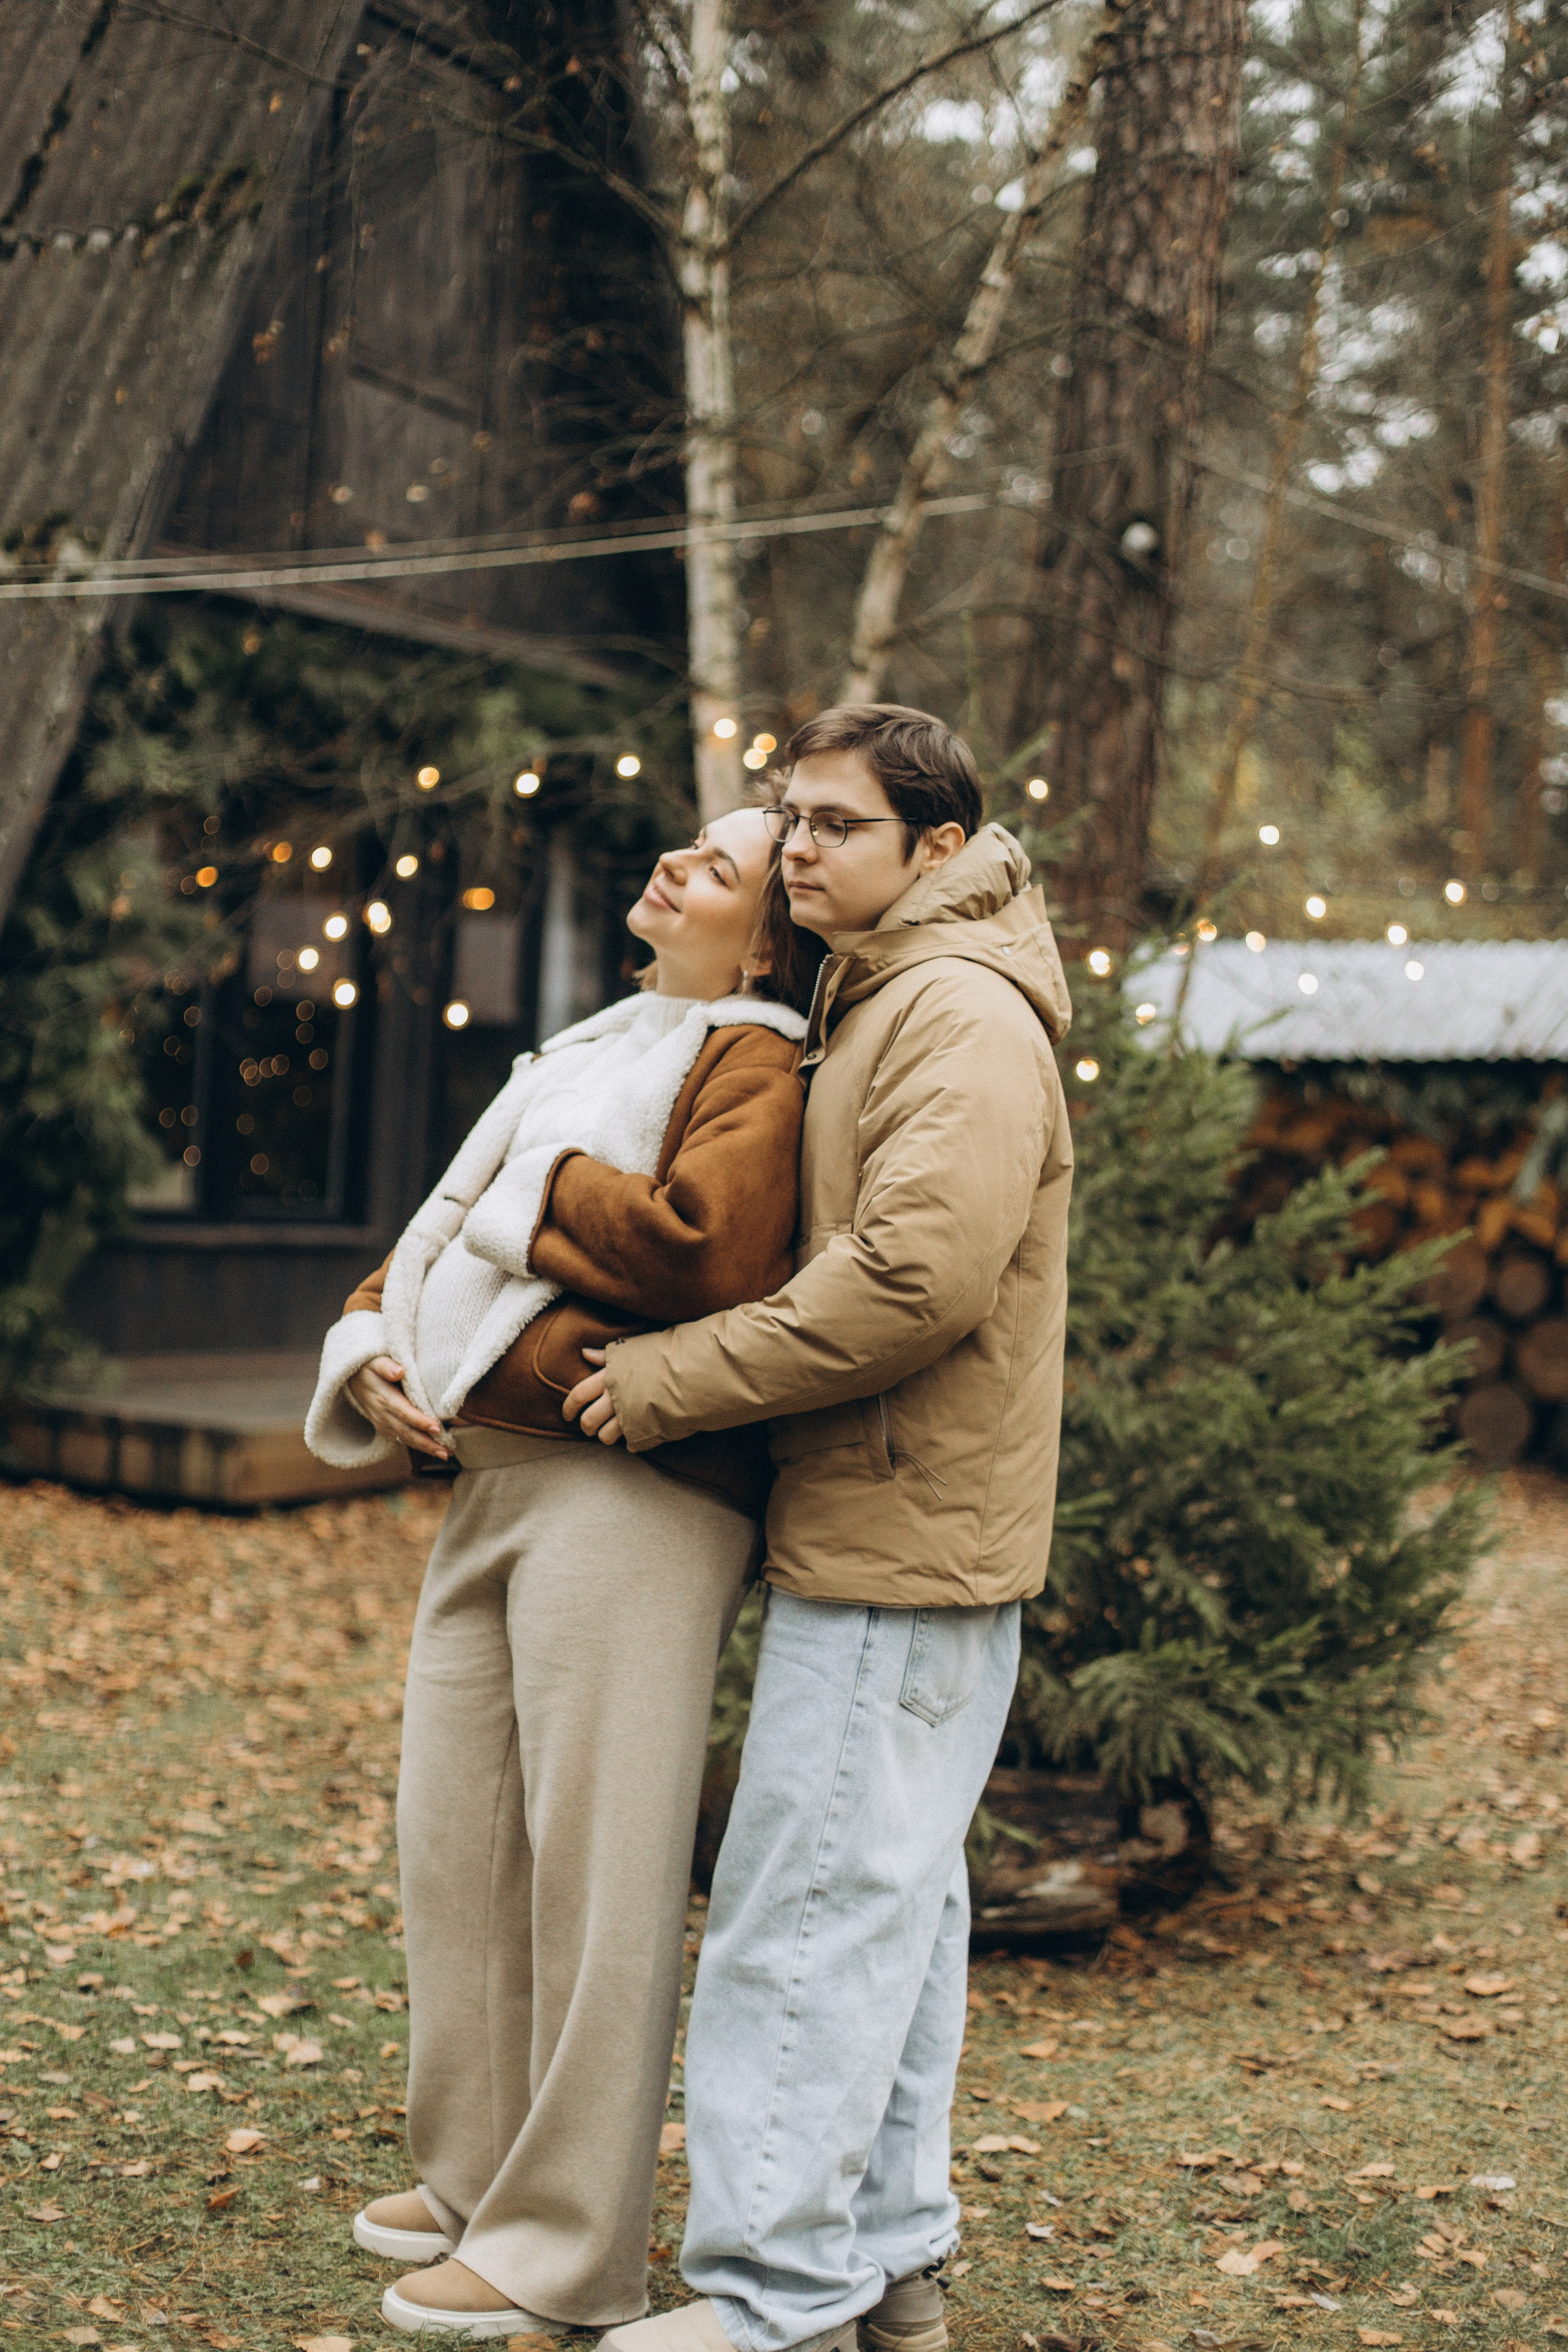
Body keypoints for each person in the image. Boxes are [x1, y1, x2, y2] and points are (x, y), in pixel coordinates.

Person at [564, 706, 1074, 2352]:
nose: (798, 849)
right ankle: (886, 2267)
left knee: (805, 1914)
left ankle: (769, 2297)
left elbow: (914, 1281)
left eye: (838, 825)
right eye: (792, 819)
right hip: (891, 1522)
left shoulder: (959, 1018)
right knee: (894, 1910)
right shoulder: (886, 995)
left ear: (939, 849)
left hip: (903, 1532)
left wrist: (671, 1380)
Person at [303, 807, 823, 2340]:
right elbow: (427, 1235)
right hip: (492, 1479)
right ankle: (472, 2175)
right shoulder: (597, 1038)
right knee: (456, 1841)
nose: (674, 868)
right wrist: (373, 1349)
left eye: (717, 871)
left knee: (596, 1868)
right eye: (685, 849)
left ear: (766, 935)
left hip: (630, 1486)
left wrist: (536, 1199)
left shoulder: (756, 1055)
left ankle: (564, 2244)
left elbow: (703, 1250)